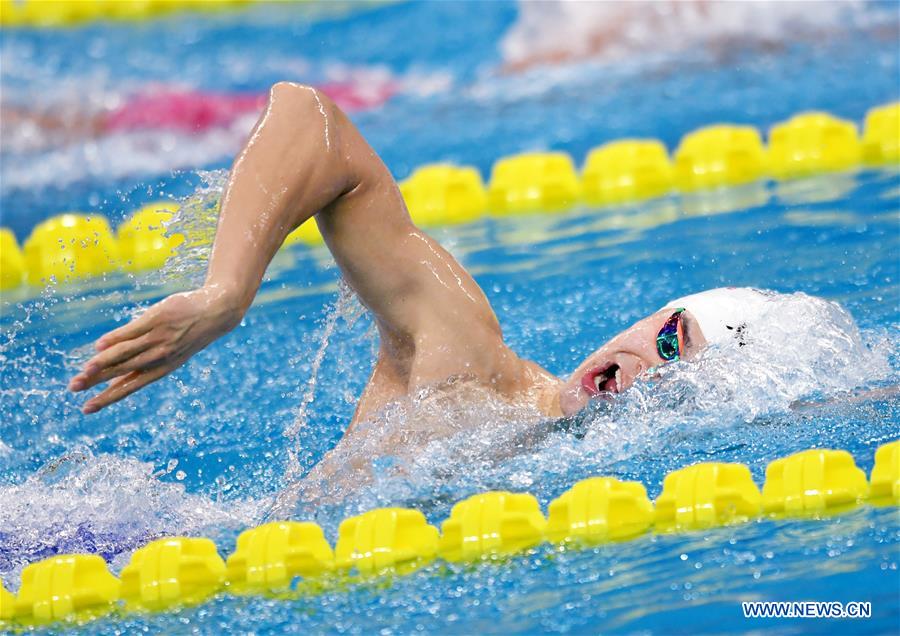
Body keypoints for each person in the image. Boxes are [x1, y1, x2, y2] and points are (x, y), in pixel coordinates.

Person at [65, 83, 765, 427]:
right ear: (640, 323)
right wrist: (226, 294)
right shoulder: (476, 368)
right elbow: (313, 122)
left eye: (688, 384)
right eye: (670, 340)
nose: (653, 373)